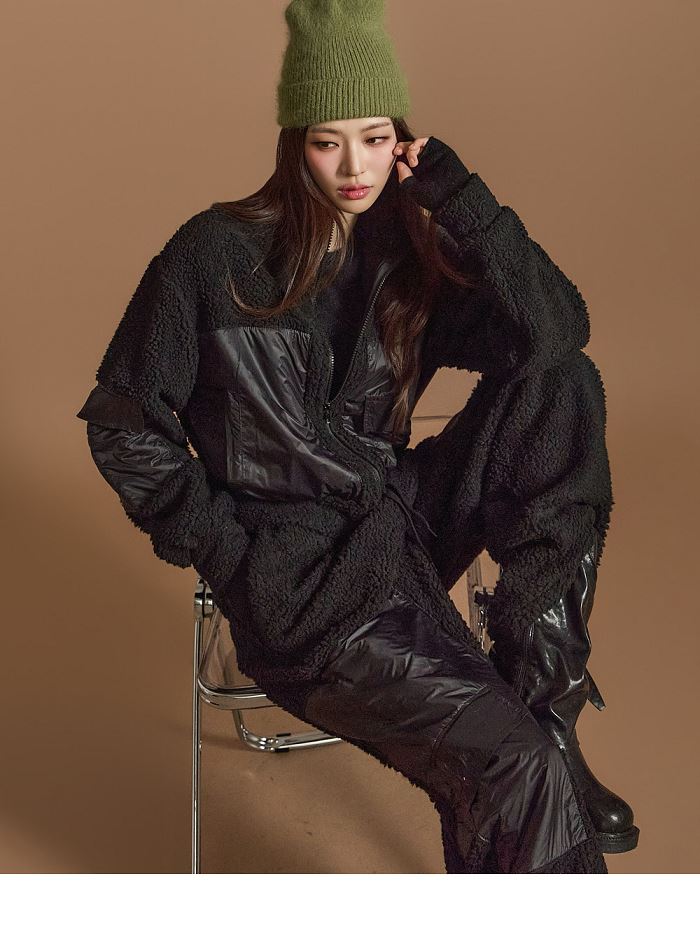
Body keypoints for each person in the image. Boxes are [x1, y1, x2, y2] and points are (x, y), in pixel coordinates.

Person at [76, 0, 639, 872]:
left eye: (375, 139)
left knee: (564, 386)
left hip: (397, 528)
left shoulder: (403, 258)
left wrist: (461, 199)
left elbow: (555, 335)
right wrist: (230, 554)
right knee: (510, 767)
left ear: (401, 140)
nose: (354, 167)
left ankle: (547, 706)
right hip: (302, 591)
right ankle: (535, 756)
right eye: (327, 142)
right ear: (293, 144)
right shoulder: (212, 256)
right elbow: (124, 427)